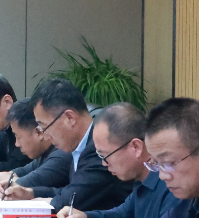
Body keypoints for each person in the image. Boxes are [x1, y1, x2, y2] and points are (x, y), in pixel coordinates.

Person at [57, 102, 180, 218]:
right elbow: (122, 215)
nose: (104, 163)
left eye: (105, 155)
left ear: (136, 147)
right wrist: (84, 217)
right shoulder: (142, 180)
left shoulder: (172, 186)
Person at [30, 78, 132, 211]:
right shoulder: (80, 144)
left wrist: (38, 199)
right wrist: (31, 192)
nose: (46, 136)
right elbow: (75, 189)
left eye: (45, 127)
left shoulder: (99, 148)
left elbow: (72, 200)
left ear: (69, 118)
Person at [0, 98, 71, 196]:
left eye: (17, 136)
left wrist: (5, 180)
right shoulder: (45, 152)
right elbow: (24, 171)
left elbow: (31, 181)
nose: (16, 144)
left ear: (39, 132)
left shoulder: (62, 153)